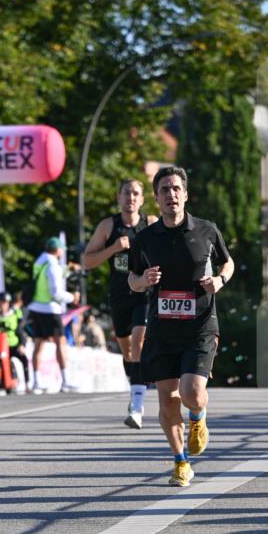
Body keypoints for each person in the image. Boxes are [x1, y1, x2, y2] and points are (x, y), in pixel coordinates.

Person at [128, 166, 234, 487]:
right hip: (162, 329)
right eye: (164, 190)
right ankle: (181, 462)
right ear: (156, 197)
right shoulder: (145, 238)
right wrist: (143, 280)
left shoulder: (206, 230)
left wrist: (220, 280)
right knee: (167, 400)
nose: (171, 194)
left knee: (191, 392)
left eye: (176, 189)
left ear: (185, 195)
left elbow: (228, 262)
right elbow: (132, 279)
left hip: (200, 325)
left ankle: (198, 417)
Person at [83, 179, 157, 429]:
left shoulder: (151, 223)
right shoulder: (108, 226)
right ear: (119, 197)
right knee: (127, 351)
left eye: (136, 193)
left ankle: (137, 405)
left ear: (142, 199)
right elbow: (87, 261)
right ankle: (136, 384)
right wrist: (113, 248)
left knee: (138, 342)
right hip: (119, 295)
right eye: (127, 193)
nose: (131, 197)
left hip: (144, 292)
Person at [28, 236, 77, 394]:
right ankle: (66, 381)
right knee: (60, 343)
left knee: (38, 344)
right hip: (50, 309)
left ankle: (36, 382)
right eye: (61, 249)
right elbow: (55, 292)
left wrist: (67, 270)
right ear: (57, 250)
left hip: (35, 307)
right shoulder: (53, 265)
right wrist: (72, 298)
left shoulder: (40, 262)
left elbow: (47, 278)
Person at [0, 291, 29, 390]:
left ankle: (27, 383)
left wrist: (22, 345)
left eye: (5, 302)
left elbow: (20, 332)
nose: (3, 304)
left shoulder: (13, 316)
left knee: (23, 359)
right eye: (1, 302)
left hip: (12, 346)